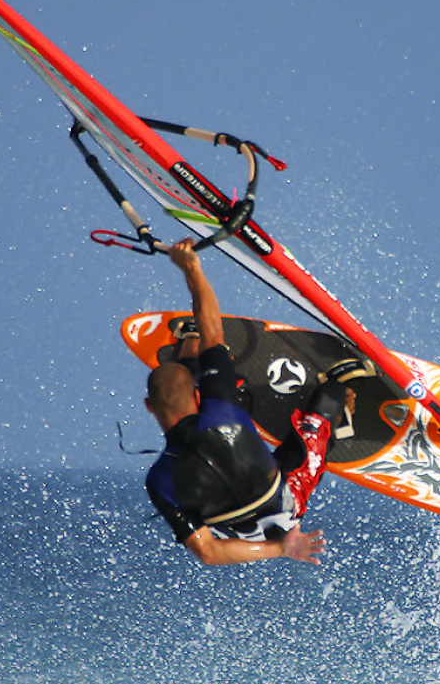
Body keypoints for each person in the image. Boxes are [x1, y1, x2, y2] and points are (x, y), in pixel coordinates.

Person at [144, 238, 363, 565]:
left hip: (243, 538)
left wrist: (279, 550)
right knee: (330, 397)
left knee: (229, 390)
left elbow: (207, 552)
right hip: (286, 499)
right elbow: (214, 333)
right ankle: (342, 414)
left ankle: (189, 340)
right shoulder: (219, 410)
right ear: (198, 396)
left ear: (150, 407)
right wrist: (191, 268)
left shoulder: (159, 481)